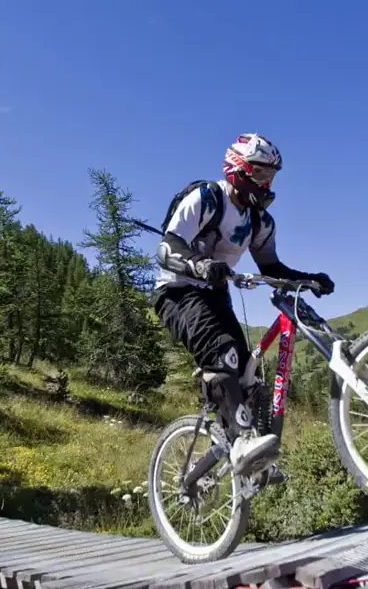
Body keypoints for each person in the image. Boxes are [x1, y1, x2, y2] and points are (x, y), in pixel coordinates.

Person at [153, 133, 334, 477]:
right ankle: (241, 446)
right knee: (223, 355)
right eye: (261, 174)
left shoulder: (259, 222)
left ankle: (249, 454)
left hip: (214, 295)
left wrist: (309, 279)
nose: (268, 184)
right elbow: (168, 246)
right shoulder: (206, 198)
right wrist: (198, 264)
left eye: (272, 177)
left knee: (247, 375)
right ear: (239, 170)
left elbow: (272, 268)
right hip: (176, 293)